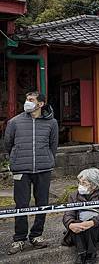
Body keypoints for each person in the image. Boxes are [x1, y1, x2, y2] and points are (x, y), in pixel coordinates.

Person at [4, 91, 58, 255]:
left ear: (40, 104)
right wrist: (16, 158)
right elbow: (8, 143)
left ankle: (36, 235)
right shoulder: (14, 122)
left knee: (42, 203)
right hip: (21, 169)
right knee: (21, 204)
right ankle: (19, 239)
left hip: (43, 169)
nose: (27, 102)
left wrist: (47, 159)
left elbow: (53, 145)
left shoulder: (52, 123)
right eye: (27, 99)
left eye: (31, 100)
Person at [62, 168, 99, 264]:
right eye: (79, 182)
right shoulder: (73, 196)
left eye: (84, 183)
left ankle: (90, 255)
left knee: (90, 226)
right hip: (79, 226)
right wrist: (70, 225)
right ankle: (82, 254)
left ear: (94, 185)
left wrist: (91, 223)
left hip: (97, 228)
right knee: (78, 225)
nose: (80, 186)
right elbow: (68, 214)